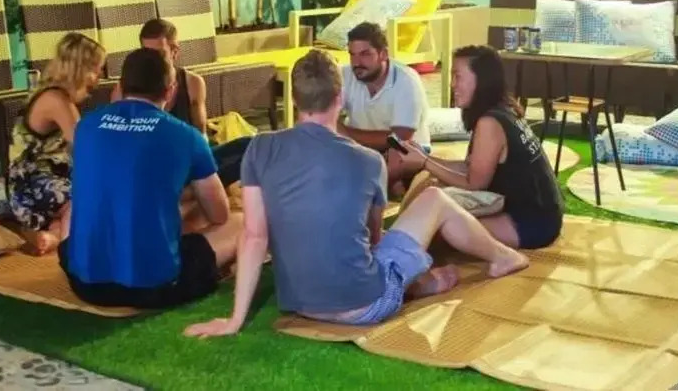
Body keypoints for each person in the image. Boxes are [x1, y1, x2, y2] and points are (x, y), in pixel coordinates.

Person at [182, 49, 528, 338]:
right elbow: (373, 241)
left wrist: (234, 320)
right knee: (435, 200)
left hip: (300, 303)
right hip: (366, 305)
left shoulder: (260, 148)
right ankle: (500, 258)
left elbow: (254, 236)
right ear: (340, 98)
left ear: (295, 99)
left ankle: (428, 280)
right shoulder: (369, 161)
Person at [60, 48, 242, 309]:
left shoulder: (85, 126)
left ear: (120, 87)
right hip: (153, 288)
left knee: (74, 208)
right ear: (170, 91)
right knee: (239, 222)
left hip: (84, 285)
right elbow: (219, 214)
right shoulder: (186, 136)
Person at [400, 45, 565, 250]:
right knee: (430, 186)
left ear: (481, 80)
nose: (452, 84)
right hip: (535, 211)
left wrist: (425, 162)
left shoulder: (490, 123)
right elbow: (470, 167)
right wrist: (423, 159)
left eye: (458, 76)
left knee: (434, 226)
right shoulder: (501, 110)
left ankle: (503, 260)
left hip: (531, 223)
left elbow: (474, 183)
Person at [111, 18, 250, 186]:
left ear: (174, 52)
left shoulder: (192, 83)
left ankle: (193, 189)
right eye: (146, 53)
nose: (152, 61)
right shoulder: (127, 86)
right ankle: (192, 192)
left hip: (186, 161)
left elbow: (201, 136)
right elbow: (117, 139)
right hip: (148, 167)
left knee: (251, 146)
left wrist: (197, 165)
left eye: (159, 54)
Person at [7, 32, 106, 255]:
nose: (100, 76)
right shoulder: (56, 100)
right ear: (81, 68)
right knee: (93, 199)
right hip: (32, 188)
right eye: (97, 68)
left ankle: (51, 235)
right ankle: (71, 251)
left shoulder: (51, 93)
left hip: (40, 180)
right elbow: (86, 149)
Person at [337, 22, 430, 193]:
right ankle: (386, 186)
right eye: (352, 55)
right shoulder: (346, 75)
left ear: (383, 54)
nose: (357, 63)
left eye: (365, 54)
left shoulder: (406, 81)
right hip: (362, 149)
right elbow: (324, 112)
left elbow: (400, 138)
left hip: (407, 151)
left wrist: (346, 133)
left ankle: (373, 192)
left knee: (397, 155)